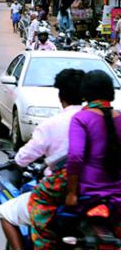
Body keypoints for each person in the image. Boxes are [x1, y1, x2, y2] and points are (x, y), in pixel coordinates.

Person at [29, 70, 121, 249]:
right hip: (116, 192)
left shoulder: (81, 118)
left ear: (85, 93)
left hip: (87, 187)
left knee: (38, 198)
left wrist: (72, 193)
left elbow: (76, 157)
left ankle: (44, 246)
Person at [0, 69, 84, 250]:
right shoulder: (98, 122)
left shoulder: (53, 124)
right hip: (94, 192)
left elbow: (24, 157)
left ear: (60, 95)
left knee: (6, 213)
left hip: (60, 192)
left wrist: (18, 160)